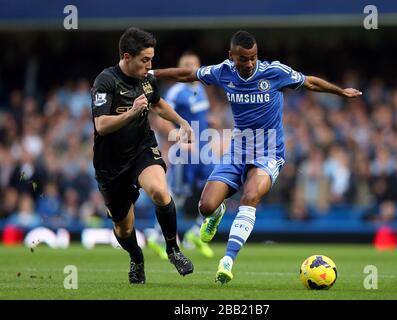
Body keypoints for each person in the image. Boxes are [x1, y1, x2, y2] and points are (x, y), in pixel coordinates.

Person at [153, 30, 362, 284]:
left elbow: (309, 82)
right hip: (237, 151)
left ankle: (227, 260)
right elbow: (187, 74)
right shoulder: (223, 72)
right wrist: (152, 74)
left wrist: (341, 92)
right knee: (205, 207)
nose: (249, 63)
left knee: (250, 196)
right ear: (231, 56)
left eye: (253, 57)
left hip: (269, 152)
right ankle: (217, 213)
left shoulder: (275, 72)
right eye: (243, 59)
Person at [90, 27, 194, 284]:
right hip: (111, 163)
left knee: (160, 191)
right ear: (127, 57)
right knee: (124, 228)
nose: (150, 65)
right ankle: (136, 257)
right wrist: (131, 113)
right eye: (144, 59)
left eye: (151, 59)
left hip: (141, 149)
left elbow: (157, 103)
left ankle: (173, 250)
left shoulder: (147, 79)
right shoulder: (105, 81)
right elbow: (101, 125)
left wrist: (182, 122)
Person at [148, 51, 215, 258]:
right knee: (177, 195)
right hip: (186, 152)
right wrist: (179, 140)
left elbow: (200, 118)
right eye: (185, 64)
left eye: (192, 64)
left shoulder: (201, 89)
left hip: (203, 151)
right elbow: (161, 118)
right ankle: (157, 235)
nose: (189, 68)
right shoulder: (176, 92)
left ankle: (195, 232)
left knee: (217, 188)